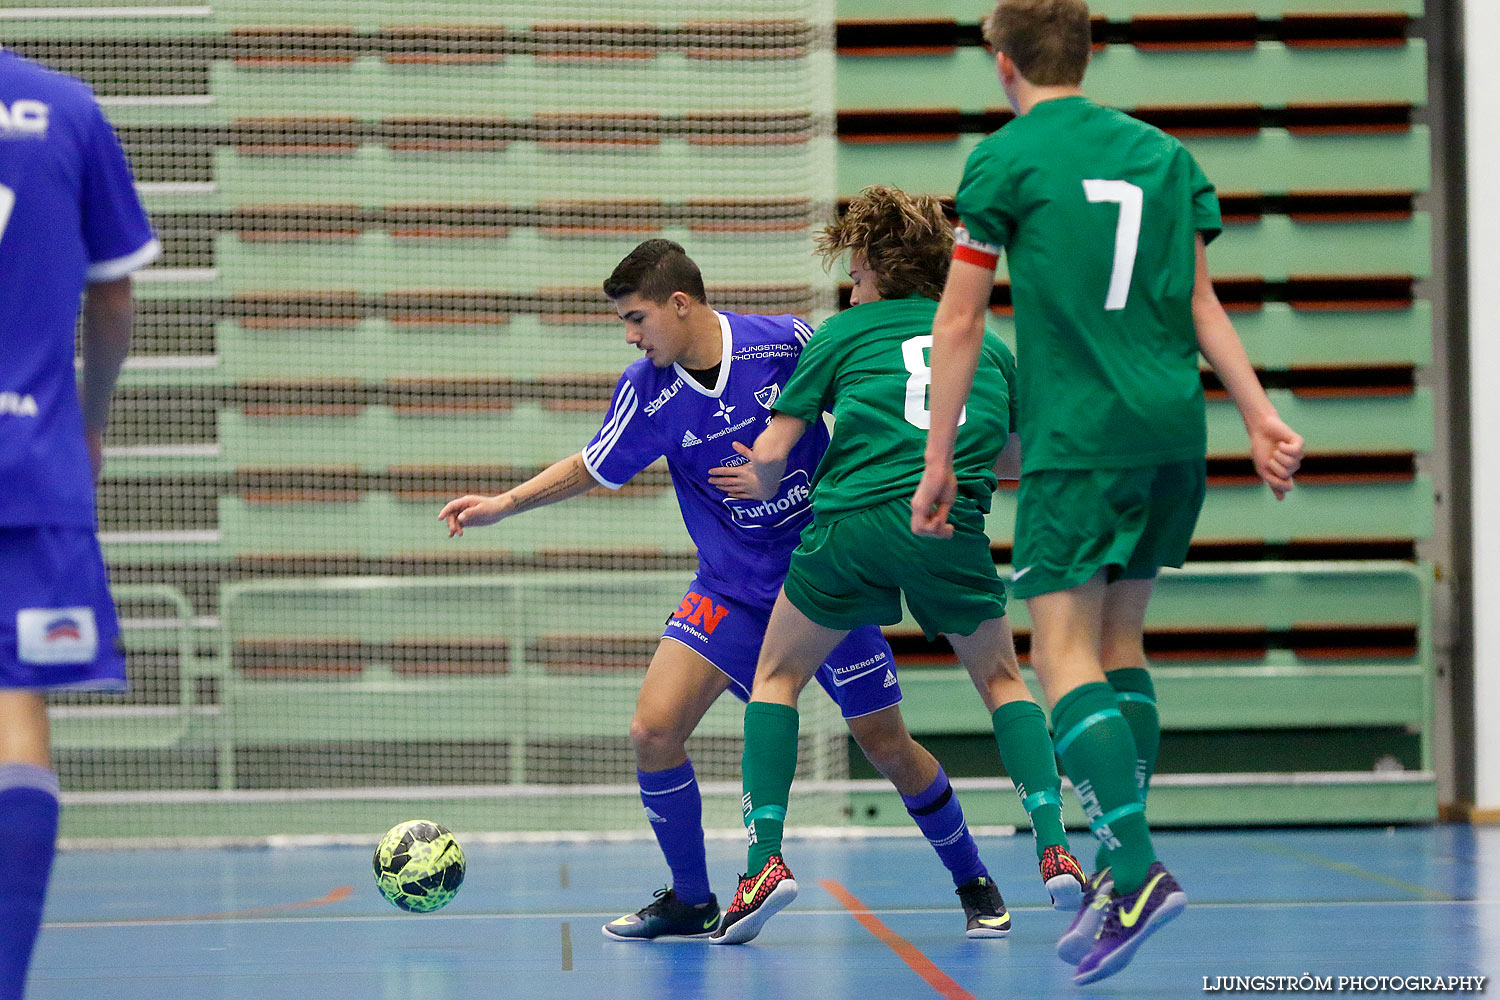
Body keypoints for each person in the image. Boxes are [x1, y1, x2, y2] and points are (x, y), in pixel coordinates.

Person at [440, 238, 1035, 941]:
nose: (631, 337)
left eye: (637, 319)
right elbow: (592, 466)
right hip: (730, 589)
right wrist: (504, 504)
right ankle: (693, 899)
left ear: (680, 303)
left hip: (823, 578)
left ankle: (974, 882)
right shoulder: (646, 389)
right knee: (653, 732)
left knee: (886, 743)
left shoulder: (785, 341)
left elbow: (886, 394)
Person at [909, 0, 1305, 985]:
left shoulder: (1005, 158)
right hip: (1172, 431)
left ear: (1002, 64)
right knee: (1119, 645)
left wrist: (939, 456)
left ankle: (1132, 866)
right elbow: (1201, 299)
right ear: (1091, 51)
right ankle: (1114, 866)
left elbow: (958, 325)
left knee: (1061, 653)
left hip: (1078, 439)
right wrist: (1260, 416)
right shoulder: (1166, 158)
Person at [706, 186, 1083, 946]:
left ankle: (764, 861)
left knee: (775, 677)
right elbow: (1014, 458)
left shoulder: (841, 335)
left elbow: (776, 452)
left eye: (855, 270)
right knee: (1004, 681)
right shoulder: (986, 341)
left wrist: (758, 476)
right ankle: (1055, 847)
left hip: (853, 526)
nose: (849, 285)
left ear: (879, 268)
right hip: (949, 525)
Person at [0, 49, 161, 1000]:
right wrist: (91, 423)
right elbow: (112, 297)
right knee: (17, 711)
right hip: (28, 468)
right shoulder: (63, 109)